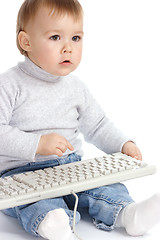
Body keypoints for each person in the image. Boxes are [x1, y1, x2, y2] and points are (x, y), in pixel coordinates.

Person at [0, 0, 160, 239]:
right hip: (22, 174)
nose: (68, 48)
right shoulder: (9, 84)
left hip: (71, 166)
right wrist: (37, 144)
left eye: (75, 38)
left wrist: (123, 144)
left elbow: (97, 124)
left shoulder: (76, 88)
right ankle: (54, 224)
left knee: (107, 187)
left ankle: (129, 215)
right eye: (55, 37)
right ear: (26, 42)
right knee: (32, 203)